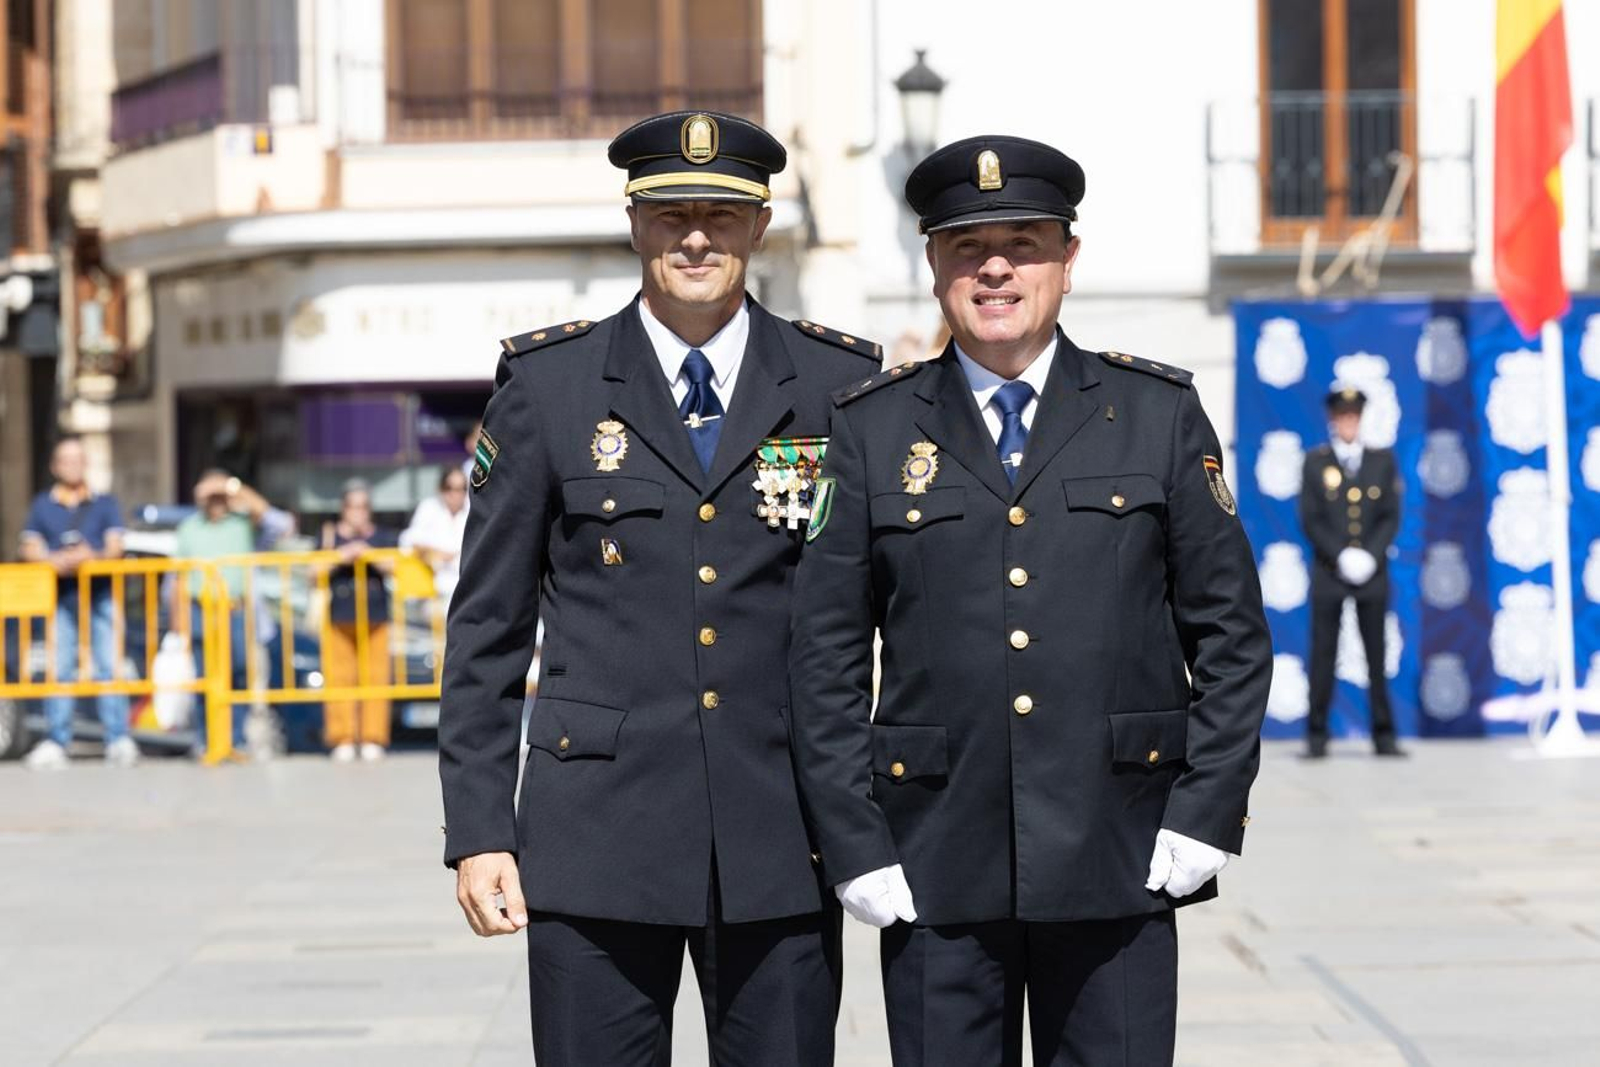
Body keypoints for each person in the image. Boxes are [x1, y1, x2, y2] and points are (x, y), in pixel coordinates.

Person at [787, 135, 1274, 1066]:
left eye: (1024, 241)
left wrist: (1208, 808)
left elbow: (1232, 637)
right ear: (933, 265)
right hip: (931, 859)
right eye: (967, 246)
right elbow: (826, 657)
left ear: (1069, 261)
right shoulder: (870, 427)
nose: (996, 267)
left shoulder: (1156, 412)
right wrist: (853, 838)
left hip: (1120, 848)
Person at [438, 109, 882, 1065]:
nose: (695, 237)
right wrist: (478, 831)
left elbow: (879, 609)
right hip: (596, 835)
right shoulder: (550, 386)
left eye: (721, 217)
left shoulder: (837, 385)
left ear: (760, 226)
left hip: (782, 835)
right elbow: (486, 629)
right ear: (633, 222)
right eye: (670, 213)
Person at [1298, 386, 1404, 759]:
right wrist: (1339, 554)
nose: (1347, 423)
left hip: (1371, 573)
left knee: (1377, 653)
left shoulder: (1380, 461)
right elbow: (1310, 518)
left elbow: (1390, 514)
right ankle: (1316, 734)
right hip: (1331, 571)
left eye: (1353, 417)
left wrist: (1370, 555)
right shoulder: (1316, 462)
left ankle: (1384, 735)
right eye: (1342, 417)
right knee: (1323, 652)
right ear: (1333, 420)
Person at [19, 437, 136, 769]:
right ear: (55, 466)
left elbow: (115, 546)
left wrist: (91, 557)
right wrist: (52, 559)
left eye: (78, 459)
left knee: (109, 663)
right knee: (60, 667)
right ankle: (58, 739)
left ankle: (118, 737)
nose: (72, 466)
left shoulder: (105, 503)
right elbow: (28, 546)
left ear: (86, 464)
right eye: (66, 460)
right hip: (61, 595)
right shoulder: (43, 504)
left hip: (100, 594)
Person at [170, 469, 289, 756]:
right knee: (203, 677)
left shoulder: (242, 525)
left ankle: (234, 740)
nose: (215, 499)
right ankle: (206, 740)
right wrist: (178, 622)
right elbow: (177, 579)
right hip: (200, 610)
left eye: (219, 494)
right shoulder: (189, 527)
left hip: (236, 611)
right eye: (210, 495)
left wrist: (233, 487)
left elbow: (279, 523)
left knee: (238, 674)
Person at [321, 480, 399, 761]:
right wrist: (341, 556)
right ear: (343, 509)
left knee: (376, 677)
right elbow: (312, 569)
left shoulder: (382, 536)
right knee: (340, 678)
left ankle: (372, 737)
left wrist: (368, 554)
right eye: (353, 507)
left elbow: (396, 566)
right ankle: (342, 737)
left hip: (376, 615)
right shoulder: (330, 535)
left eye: (363, 507)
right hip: (340, 615)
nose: (358, 513)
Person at [400, 468, 469, 607]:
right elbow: (409, 540)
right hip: (431, 592)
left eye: (462, 488)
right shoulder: (428, 508)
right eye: (450, 488)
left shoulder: (471, 511)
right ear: (441, 489)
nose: (456, 494)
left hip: (463, 590)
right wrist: (433, 552)